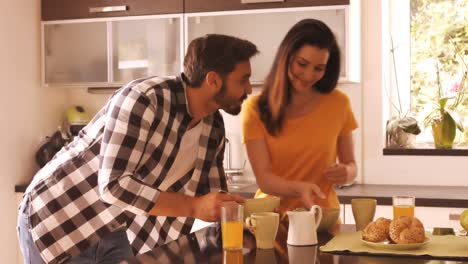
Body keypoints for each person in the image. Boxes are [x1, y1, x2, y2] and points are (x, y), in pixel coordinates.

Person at [18, 34, 258, 264]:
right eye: (243, 80)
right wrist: (195, 207)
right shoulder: (145, 99)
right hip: (61, 219)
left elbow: (216, 197)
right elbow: (113, 185)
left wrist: (237, 219)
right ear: (213, 80)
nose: (248, 89)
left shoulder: (213, 126)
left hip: (121, 232)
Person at [241, 19, 358, 230]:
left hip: (323, 221)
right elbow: (265, 180)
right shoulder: (256, 108)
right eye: (302, 64)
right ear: (286, 57)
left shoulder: (339, 103)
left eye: (319, 68)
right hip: (272, 222)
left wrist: (346, 173)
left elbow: (351, 165)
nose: (308, 75)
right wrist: (300, 188)